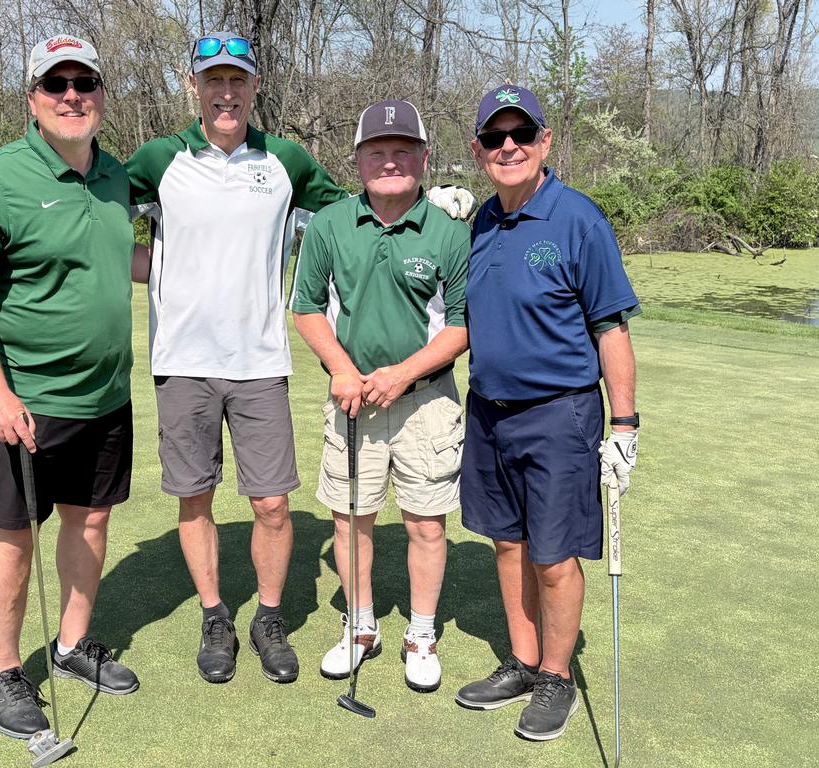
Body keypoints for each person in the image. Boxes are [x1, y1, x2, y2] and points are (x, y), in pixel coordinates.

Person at [124, 33, 474, 685]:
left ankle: (269, 618)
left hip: (260, 360)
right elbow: (94, 215)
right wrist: (152, 265)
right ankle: (214, 617)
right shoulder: (158, 158)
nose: (226, 92)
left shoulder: (285, 160)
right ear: (194, 86)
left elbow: (360, 200)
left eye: (237, 80)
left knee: (272, 506)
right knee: (195, 499)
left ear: (254, 87)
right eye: (213, 80)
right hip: (181, 357)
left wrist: (433, 203)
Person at [0, 35, 140, 740]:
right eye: (56, 84)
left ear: (102, 94)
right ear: (32, 98)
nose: (72, 95)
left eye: (85, 82)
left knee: (92, 520)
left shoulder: (115, 176)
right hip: (23, 400)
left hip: (105, 395)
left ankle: (72, 645)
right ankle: (2, 674)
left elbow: (118, 255)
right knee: (12, 536)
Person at [454, 84, 640, 740]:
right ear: (478, 150)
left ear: (545, 141)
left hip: (560, 414)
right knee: (509, 543)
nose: (509, 147)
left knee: (554, 555)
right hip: (489, 412)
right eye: (495, 137)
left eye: (522, 134)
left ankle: (557, 676)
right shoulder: (481, 221)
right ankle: (524, 661)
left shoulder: (578, 219)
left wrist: (624, 426)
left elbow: (611, 329)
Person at [291, 100, 470, 693]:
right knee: (350, 520)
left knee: (426, 525)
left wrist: (401, 374)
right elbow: (306, 308)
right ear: (358, 160)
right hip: (352, 397)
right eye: (376, 151)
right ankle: (361, 626)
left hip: (426, 401)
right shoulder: (329, 225)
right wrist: (342, 369)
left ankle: (421, 634)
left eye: (402, 151)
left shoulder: (450, 232)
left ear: (424, 157)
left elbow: (461, 325)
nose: (389, 161)